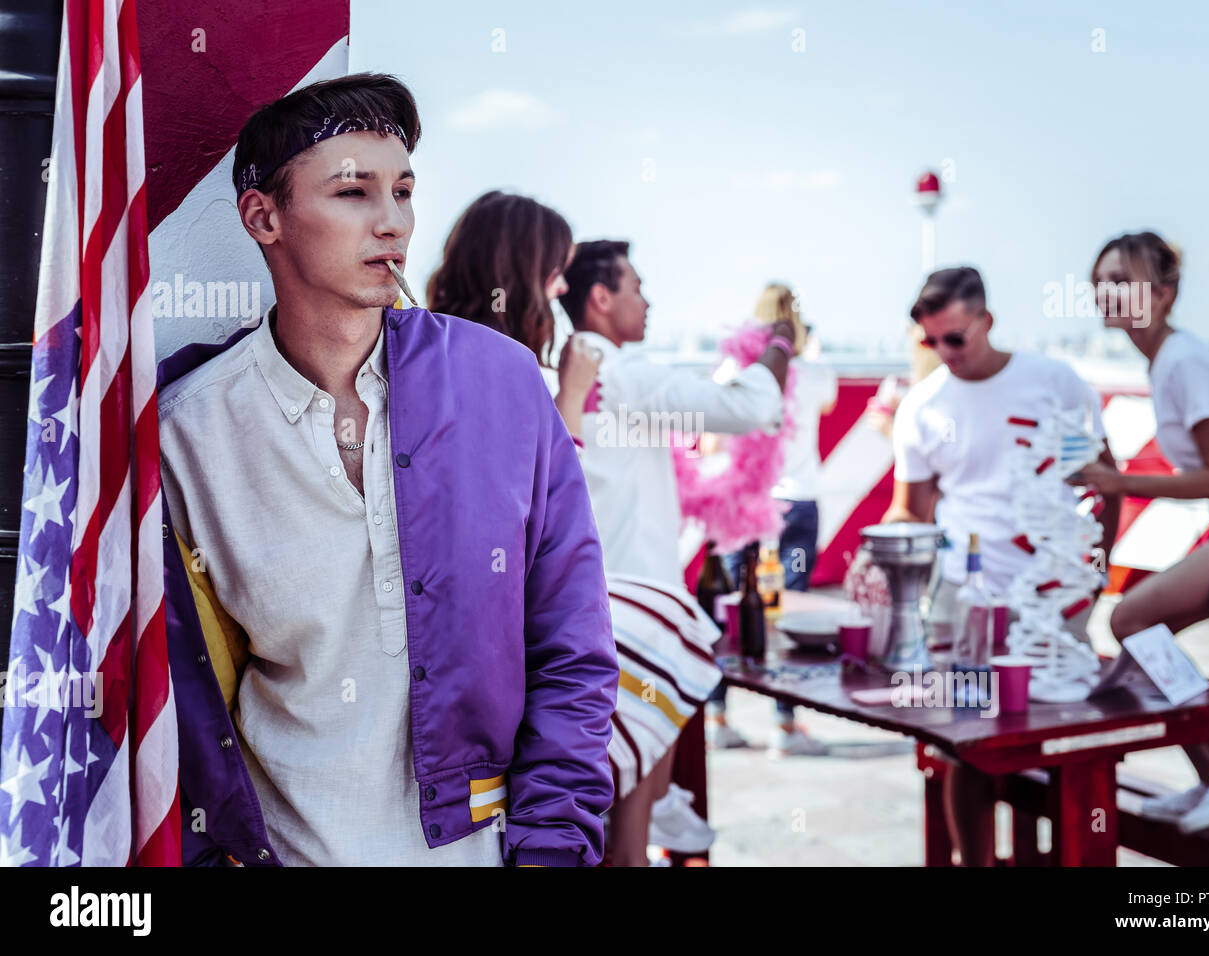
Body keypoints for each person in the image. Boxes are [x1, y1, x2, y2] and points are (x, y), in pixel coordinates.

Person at [156, 75, 618, 867]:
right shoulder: (187, 431)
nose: (392, 222)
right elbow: (178, 698)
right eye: (353, 192)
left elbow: (571, 645)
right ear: (263, 217)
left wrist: (553, 850)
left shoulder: (502, 385)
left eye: (403, 191)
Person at [426, 192, 727, 865]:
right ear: (523, 272)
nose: (562, 287)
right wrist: (571, 391)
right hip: (498, 623)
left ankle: (638, 829)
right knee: (659, 638)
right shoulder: (507, 370)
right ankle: (632, 838)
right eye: (555, 270)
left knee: (655, 633)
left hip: (483, 611)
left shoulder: (433, 350)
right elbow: (540, 501)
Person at [556, 238, 798, 854]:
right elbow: (745, 407)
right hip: (637, 626)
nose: (649, 299)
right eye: (637, 285)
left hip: (583, 614)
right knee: (629, 830)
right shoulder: (627, 375)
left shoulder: (566, 372)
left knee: (617, 816)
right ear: (602, 298)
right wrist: (779, 347)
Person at [884, 266, 1122, 866]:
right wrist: (879, 554)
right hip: (963, 602)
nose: (942, 352)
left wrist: (1093, 576)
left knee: (1056, 735)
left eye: (954, 338)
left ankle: (1053, 857)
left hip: (1049, 597)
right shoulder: (923, 404)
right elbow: (910, 509)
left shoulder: (1054, 382)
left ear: (986, 322)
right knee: (967, 741)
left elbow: (1106, 482)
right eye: (929, 341)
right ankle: (979, 863)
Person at [1069, 231, 1209, 833]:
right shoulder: (1170, 358)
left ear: (1165, 293)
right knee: (1145, 634)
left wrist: (1118, 485)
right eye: (1101, 282)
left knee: (1130, 620)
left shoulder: (1182, 361)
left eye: (1123, 280)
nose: (1107, 293)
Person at [709, 283, 840, 757]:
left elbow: (711, 443)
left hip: (744, 504)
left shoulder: (734, 371)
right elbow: (824, 403)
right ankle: (785, 725)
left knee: (728, 611)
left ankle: (716, 718)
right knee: (788, 612)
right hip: (798, 503)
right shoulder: (816, 373)